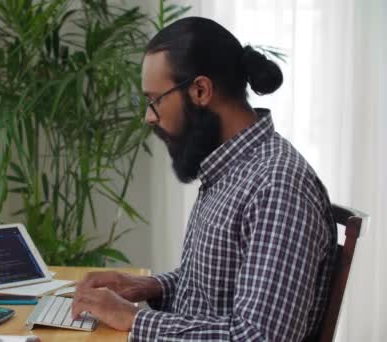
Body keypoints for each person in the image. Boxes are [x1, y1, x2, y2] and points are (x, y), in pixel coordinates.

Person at [71, 17, 337, 342]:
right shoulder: (230, 170)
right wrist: (147, 286)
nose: (148, 117)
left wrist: (134, 320)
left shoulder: (277, 186)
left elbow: (259, 336)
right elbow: (217, 286)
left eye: (154, 100)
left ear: (200, 90)